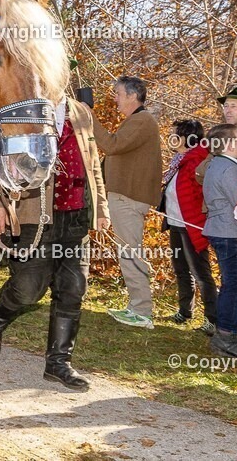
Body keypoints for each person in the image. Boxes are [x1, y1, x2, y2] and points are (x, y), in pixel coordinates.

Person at [0, 94, 110, 390]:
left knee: (74, 287)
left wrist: (101, 208)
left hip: (77, 213)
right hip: (34, 212)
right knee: (29, 288)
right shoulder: (22, 105)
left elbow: (92, 164)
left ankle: (58, 363)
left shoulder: (81, 112)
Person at [88, 76, 162, 328]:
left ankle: (142, 311)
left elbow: (111, 145)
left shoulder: (142, 120)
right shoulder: (137, 120)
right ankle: (136, 307)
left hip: (129, 199)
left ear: (133, 95)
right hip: (124, 197)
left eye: (118, 93)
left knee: (131, 253)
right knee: (128, 252)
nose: (115, 99)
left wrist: (89, 118)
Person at [198, 86, 237, 348]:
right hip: (230, 219)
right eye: (225, 105)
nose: (227, 110)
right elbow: (202, 169)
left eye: (234, 106)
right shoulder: (227, 137)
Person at [161, 119, 218, 335]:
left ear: (186, 137)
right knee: (181, 270)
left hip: (192, 225)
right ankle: (185, 311)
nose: (171, 137)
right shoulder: (179, 160)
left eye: (175, 133)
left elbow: (202, 194)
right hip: (176, 222)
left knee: (201, 272)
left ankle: (212, 319)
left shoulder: (197, 161)